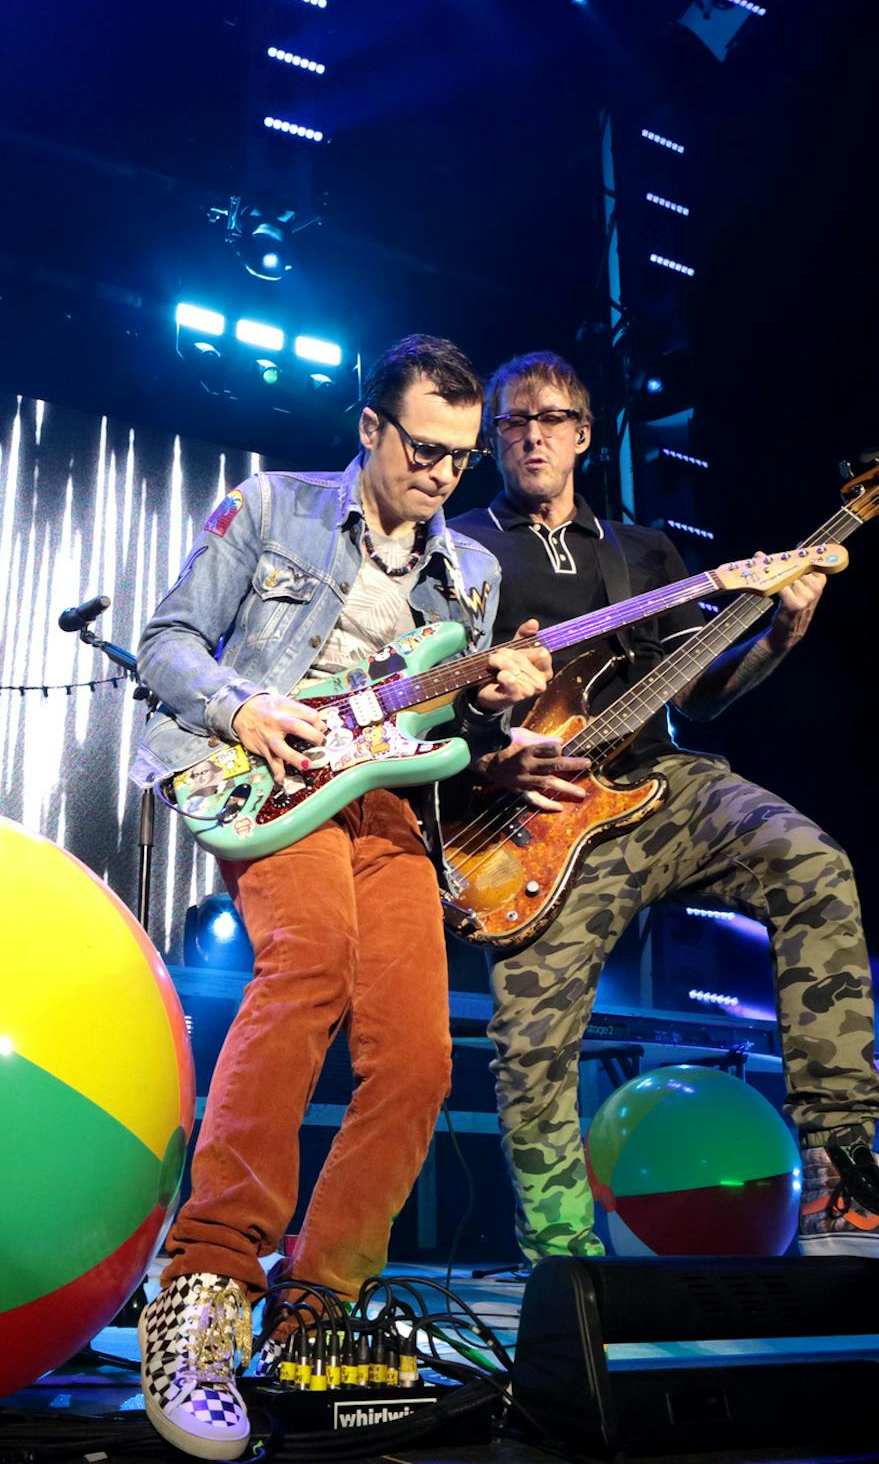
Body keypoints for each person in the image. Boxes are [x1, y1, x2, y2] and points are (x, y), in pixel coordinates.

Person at [128, 336, 564, 1458]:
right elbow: (166, 641)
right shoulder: (273, 506)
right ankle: (205, 1286)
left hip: (387, 806)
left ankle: (317, 1305)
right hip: (269, 776)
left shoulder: (471, 574)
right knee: (310, 965)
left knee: (419, 1057)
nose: (444, 473)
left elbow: (445, 735)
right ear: (371, 428)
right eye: (424, 448)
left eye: (462, 457)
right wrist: (242, 707)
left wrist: (498, 710)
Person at [447, 350, 879, 1262]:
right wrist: (494, 760)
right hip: (529, 817)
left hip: (662, 788)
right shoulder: (458, 549)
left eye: (552, 419)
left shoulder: (643, 553)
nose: (533, 436)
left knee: (811, 863)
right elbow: (428, 702)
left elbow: (700, 697)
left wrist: (781, 633)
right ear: (492, 439)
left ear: (584, 435)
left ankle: (840, 1186)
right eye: (513, 421)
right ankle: (564, 1261)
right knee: (531, 1043)